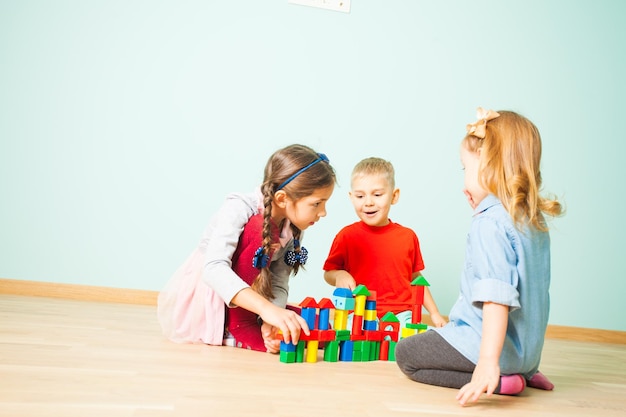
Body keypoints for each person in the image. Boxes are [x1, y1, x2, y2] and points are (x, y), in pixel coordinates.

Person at [395, 108, 564, 405]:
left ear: (490, 167)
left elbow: (496, 297)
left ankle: (500, 381)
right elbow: (536, 295)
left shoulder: (490, 223)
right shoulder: (532, 220)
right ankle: (522, 372)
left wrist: (488, 362)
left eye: (466, 169)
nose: (464, 182)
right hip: (526, 353)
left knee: (407, 354)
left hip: (487, 348)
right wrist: (526, 363)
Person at [157, 144, 336, 353]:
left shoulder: (294, 226)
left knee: (320, 329)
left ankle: (258, 323)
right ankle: (234, 329)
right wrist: (267, 310)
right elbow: (213, 269)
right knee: (260, 229)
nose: (323, 212)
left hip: (256, 305)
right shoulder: (239, 208)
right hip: (213, 303)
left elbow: (278, 279)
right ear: (282, 198)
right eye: (317, 204)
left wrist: (273, 318)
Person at [323, 157, 447, 329]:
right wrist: (339, 275)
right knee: (340, 335)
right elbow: (328, 273)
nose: (368, 202)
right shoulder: (346, 236)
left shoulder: (407, 237)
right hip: (360, 314)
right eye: (360, 196)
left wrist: (434, 313)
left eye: (377, 194)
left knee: (420, 342)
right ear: (352, 198)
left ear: (394, 196)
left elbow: (416, 279)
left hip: (401, 314)